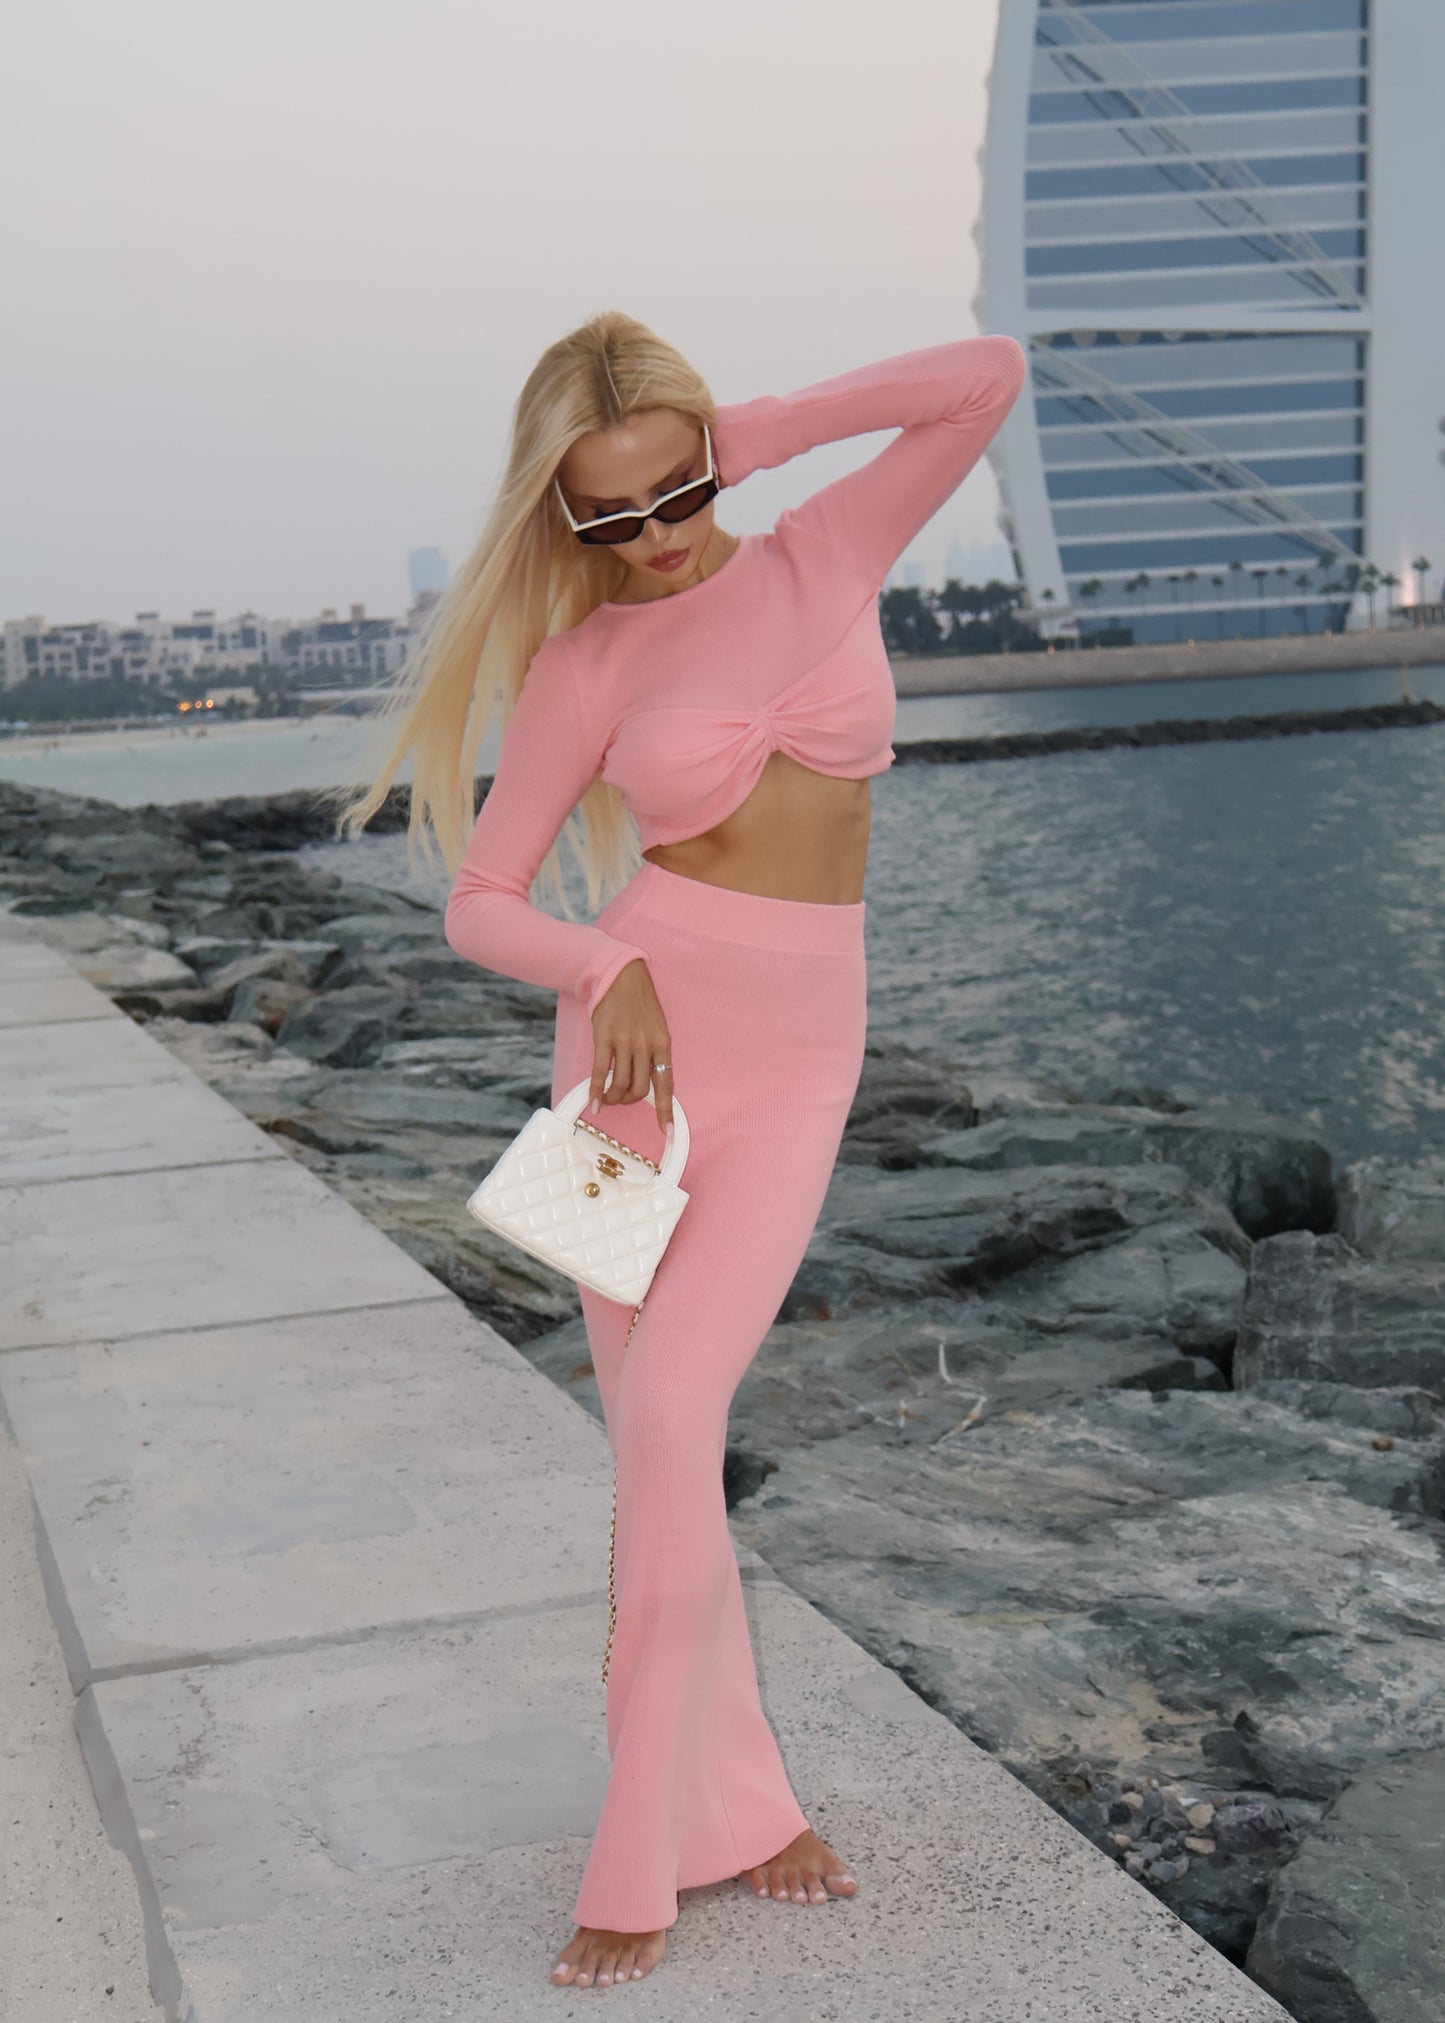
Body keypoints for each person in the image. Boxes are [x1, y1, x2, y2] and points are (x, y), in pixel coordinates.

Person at [334, 310, 1025, 1990]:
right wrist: (601, 964)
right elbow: (480, 902)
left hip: (804, 1057)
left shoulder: (821, 550)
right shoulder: (583, 666)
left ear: (714, 460)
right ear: (560, 516)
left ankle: (706, 1813)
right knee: (650, 1430)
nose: (650, 537)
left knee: (668, 1420)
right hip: (619, 1066)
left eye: (676, 491)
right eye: (606, 514)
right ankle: (679, 1831)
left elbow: (984, 375)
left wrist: (750, 431)